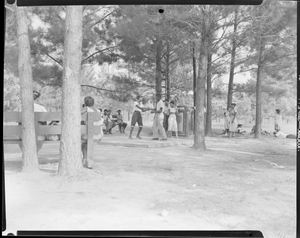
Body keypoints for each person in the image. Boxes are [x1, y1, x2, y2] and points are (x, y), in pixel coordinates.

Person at [81, 96, 103, 169]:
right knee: (86, 139)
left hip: (89, 135)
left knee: (83, 141)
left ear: (85, 103)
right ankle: (88, 159)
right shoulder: (98, 111)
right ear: (93, 102)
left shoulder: (86, 110)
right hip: (98, 134)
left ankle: (84, 159)